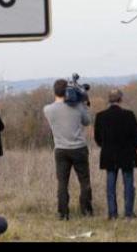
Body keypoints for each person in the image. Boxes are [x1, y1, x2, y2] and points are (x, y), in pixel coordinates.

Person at [43, 79, 93, 220]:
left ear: (55, 91)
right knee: (84, 181)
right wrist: (83, 103)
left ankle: (63, 213)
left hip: (61, 150)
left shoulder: (48, 109)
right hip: (79, 149)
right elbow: (87, 121)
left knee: (62, 183)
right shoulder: (77, 107)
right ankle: (86, 210)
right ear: (67, 91)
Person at [94, 89, 137, 220]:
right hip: (127, 155)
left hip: (109, 155)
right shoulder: (129, 115)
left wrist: (105, 147)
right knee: (128, 185)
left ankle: (112, 213)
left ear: (109, 100)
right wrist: (133, 149)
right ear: (121, 99)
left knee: (110, 185)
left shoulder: (100, 116)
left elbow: (97, 138)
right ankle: (128, 213)